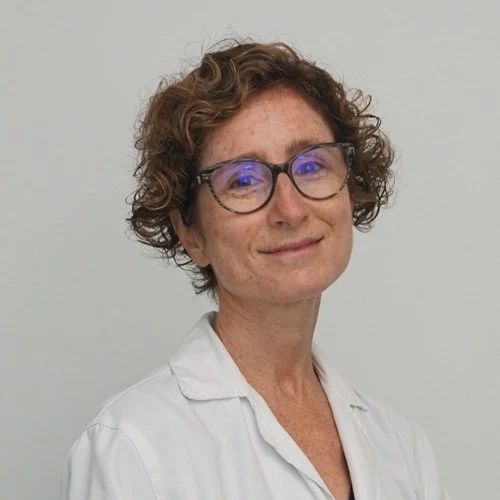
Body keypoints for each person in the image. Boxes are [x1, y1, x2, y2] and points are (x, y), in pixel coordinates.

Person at [60, 38, 451, 500]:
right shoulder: (133, 448)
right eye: (243, 179)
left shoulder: (402, 447)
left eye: (312, 165)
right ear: (191, 232)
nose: (290, 209)